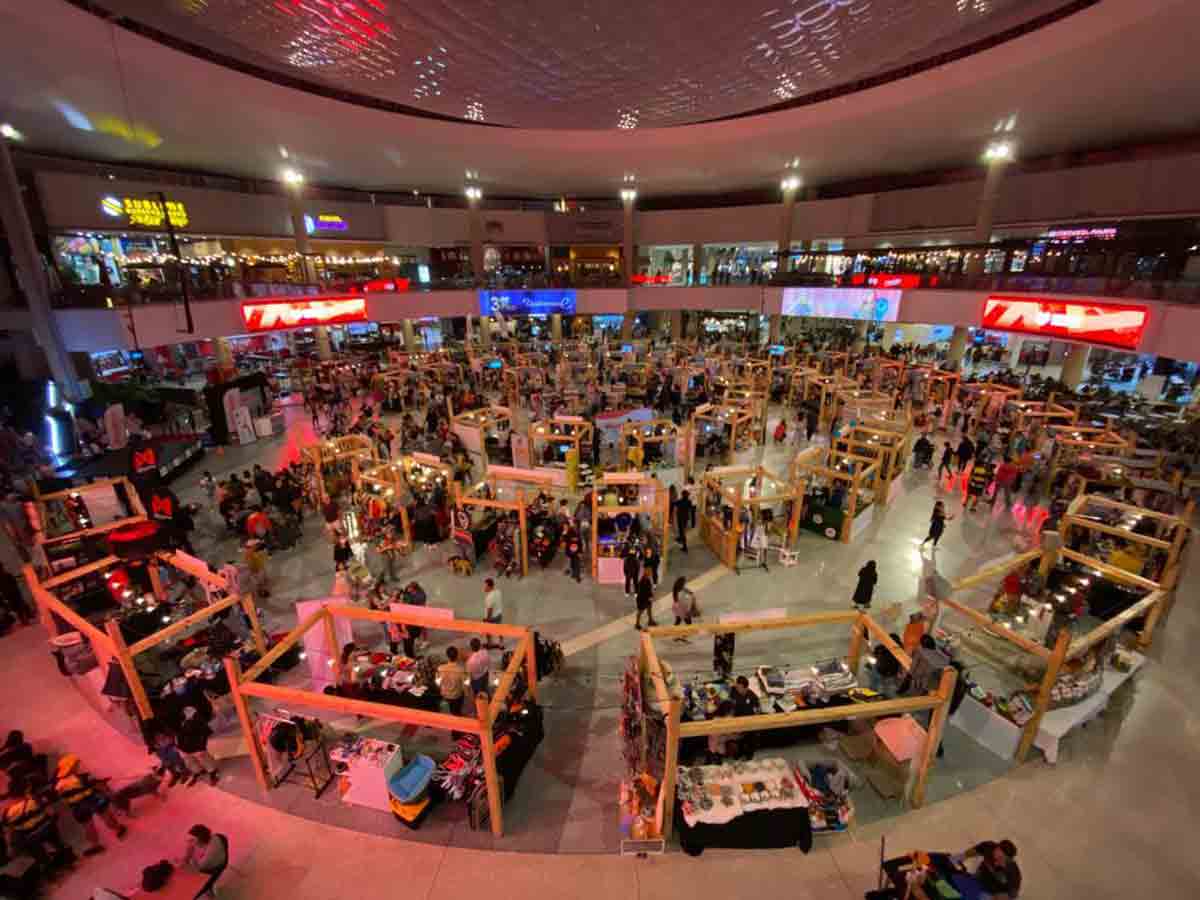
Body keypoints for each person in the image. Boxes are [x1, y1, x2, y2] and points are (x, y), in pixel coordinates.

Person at [53, 754, 126, 855]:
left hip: (77, 806)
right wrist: (105, 789)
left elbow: (63, 799)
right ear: (71, 767)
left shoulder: (58, 786)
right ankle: (118, 829)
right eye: (75, 765)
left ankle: (95, 845)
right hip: (92, 799)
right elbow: (98, 785)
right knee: (106, 815)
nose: (77, 766)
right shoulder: (82, 777)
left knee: (88, 826)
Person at [2, 774, 75, 871]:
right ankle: (65, 856)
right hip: (47, 830)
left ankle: (46, 865)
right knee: (53, 834)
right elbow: (52, 813)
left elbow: (9, 832)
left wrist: (10, 847)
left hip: (31, 838)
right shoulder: (36, 800)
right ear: (26, 789)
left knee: (30, 842)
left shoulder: (7, 813)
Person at [175, 707, 218, 786]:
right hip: (185, 747)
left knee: (204, 758)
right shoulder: (182, 722)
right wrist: (179, 747)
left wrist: (201, 748)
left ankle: (213, 772)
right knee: (189, 761)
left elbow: (204, 734)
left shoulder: (197, 721)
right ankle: (198, 772)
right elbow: (179, 735)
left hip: (196, 746)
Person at [437, 647, 467, 716]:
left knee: (447, 711)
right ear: (457, 656)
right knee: (457, 712)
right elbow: (465, 685)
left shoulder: (440, 668)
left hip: (445, 695)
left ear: (447, 656)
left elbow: (438, 683)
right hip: (456, 696)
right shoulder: (462, 670)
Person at [671, 576, 697, 643]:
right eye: (684, 582)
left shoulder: (680, 588)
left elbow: (689, 592)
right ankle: (683, 636)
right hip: (680, 609)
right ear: (681, 583)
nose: (685, 583)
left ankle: (675, 635)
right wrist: (686, 611)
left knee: (678, 621)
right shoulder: (677, 591)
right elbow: (678, 602)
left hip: (678, 608)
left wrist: (690, 593)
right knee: (689, 624)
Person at [482, 578, 504, 650]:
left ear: (490, 587)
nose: (484, 588)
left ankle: (489, 644)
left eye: (485, 586)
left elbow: (490, 610)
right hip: (499, 615)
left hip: (492, 617)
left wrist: (487, 619)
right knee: (500, 630)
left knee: (487, 630)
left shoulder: (489, 597)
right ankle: (501, 644)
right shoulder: (498, 592)